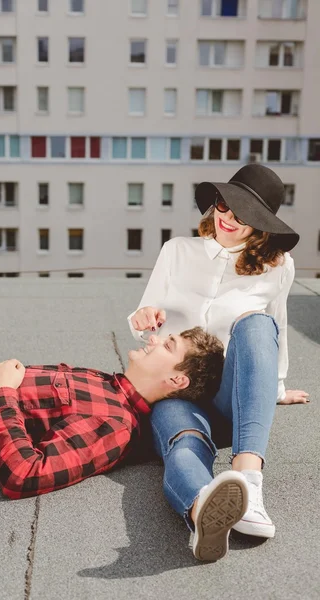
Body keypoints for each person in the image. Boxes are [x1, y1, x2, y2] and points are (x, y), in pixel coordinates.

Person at [128, 163, 309, 562]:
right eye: (225, 205)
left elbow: (274, 330)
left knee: (257, 322)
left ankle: (249, 479)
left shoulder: (277, 267)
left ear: (260, 224)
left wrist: (274, 389)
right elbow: (147, 314)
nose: (228, 218)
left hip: (231, 399)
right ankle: (203, 509)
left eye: (243, 214)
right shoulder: (177, 251)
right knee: (184, 444)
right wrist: (143, 319)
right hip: (178, 390)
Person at [0, 327, 224, 500]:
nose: (154, 339)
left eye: (168, 346)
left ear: (176, 380)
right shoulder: (107, 382)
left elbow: (23, 476)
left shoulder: (116, 425)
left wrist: (2, 392)